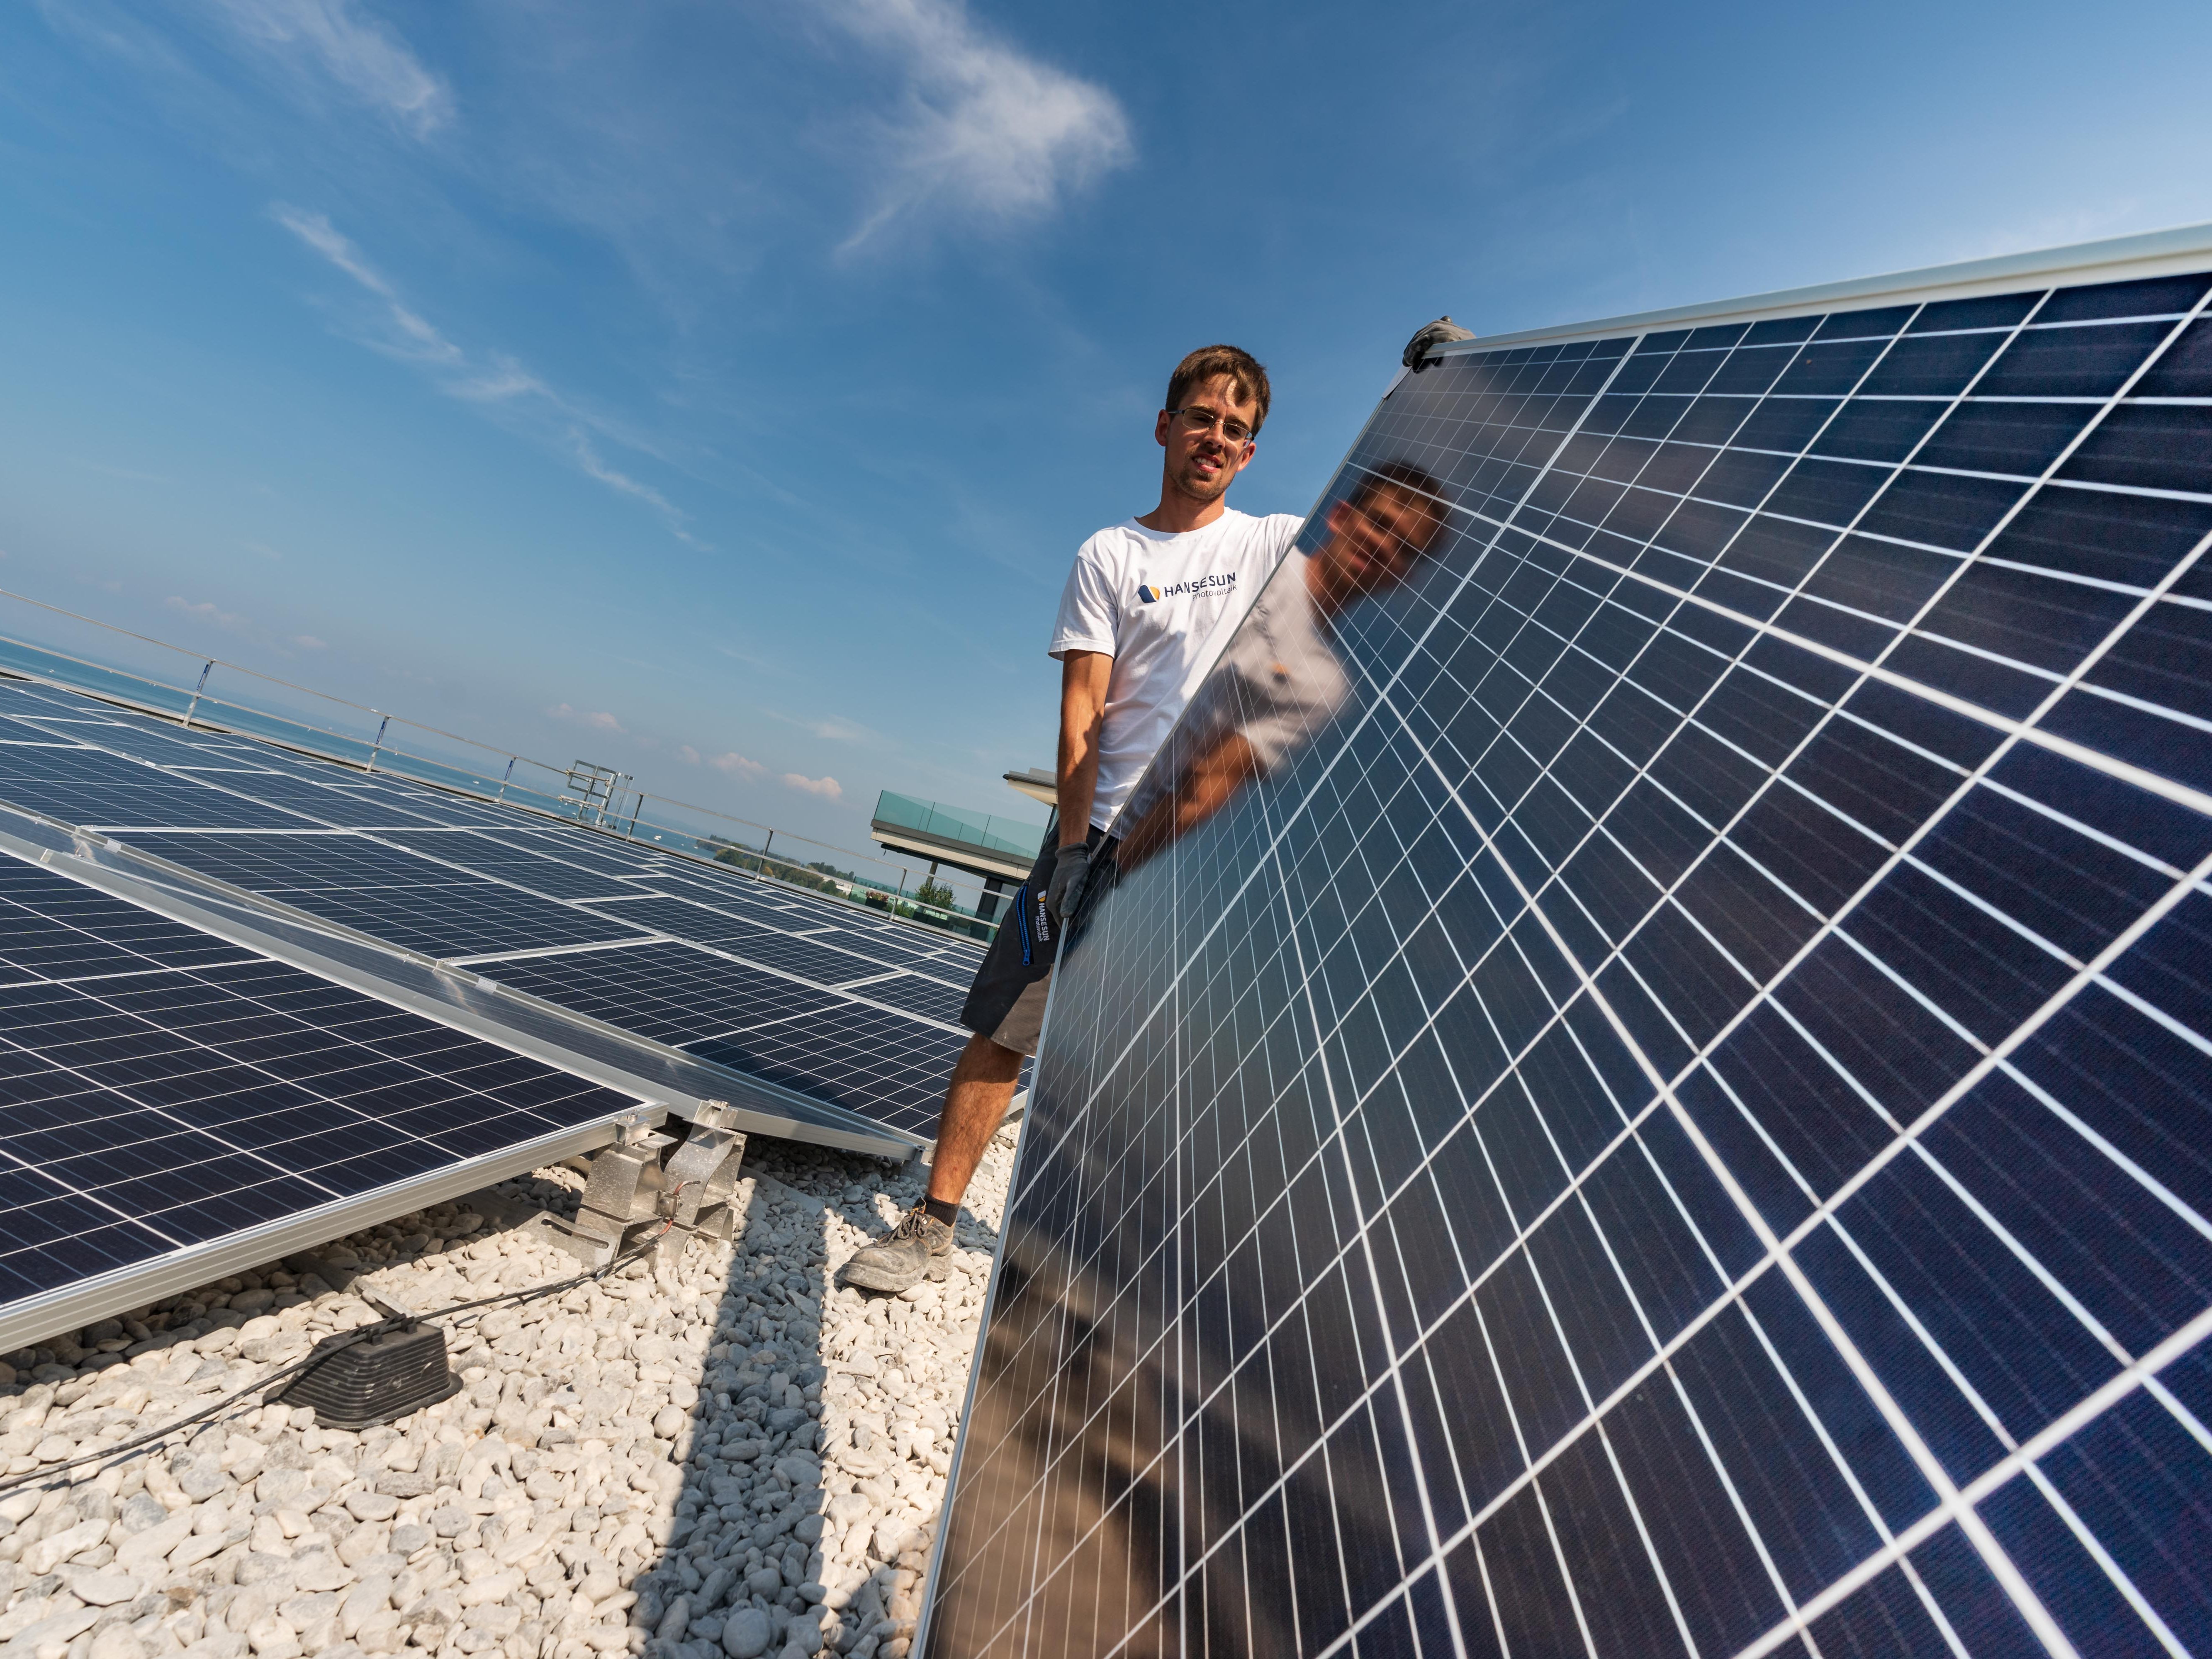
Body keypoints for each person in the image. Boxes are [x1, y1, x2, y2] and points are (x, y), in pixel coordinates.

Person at [841, 345, 1303, 1294]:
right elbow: (1082, 712)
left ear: (1249, 452)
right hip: (1096, 837)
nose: (1215, 437)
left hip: (1204, 848)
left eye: (1235, 428)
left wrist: (1432, 385)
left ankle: (1118, 1267)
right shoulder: (1110, 555)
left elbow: (1385, 537)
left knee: (1161, 1065)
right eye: (1201, 417)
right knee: (1004, 1030)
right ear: (1164, 426)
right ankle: (933, 1222)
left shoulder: (1268, 544)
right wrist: (1065, 852)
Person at [1113, 460, 1447, 869]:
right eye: (1379, 523)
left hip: (1118, 829)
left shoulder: (1324, 687)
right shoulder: (1253, 557)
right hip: (1097, 771)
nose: (1384, 546)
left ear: (1405, 577)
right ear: (1340, 516)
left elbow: (1210, 785)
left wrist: (1109, 871)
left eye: (1405, 548)